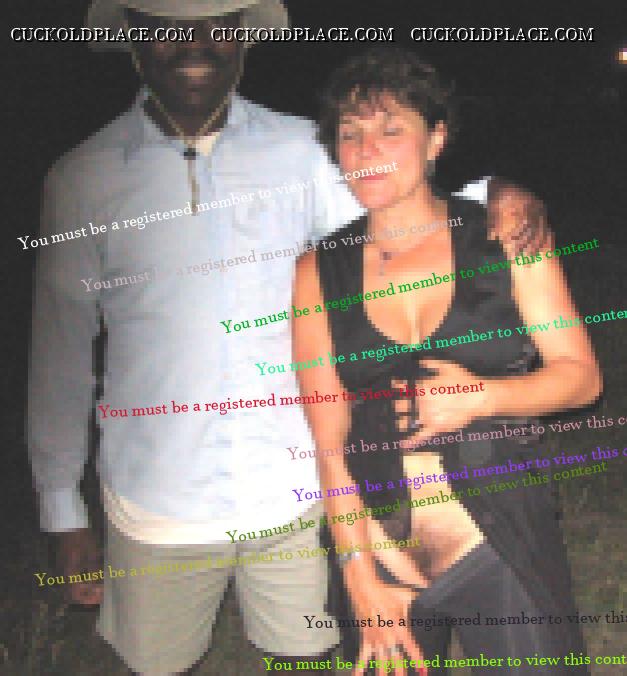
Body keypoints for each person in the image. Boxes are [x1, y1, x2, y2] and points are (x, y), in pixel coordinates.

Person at [27, 2, 550, 673]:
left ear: (243, 40)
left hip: (295, 490)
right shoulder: (82, 178)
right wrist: (62, 508)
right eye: (166, 25)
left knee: (308, 658)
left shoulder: (300, 149)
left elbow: (399, 203)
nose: (194, 41)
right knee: (155, 665)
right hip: (156, 498)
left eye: (217, 23)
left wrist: (497, 191)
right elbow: (61, 352)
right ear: (133, 41)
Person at [292, 47, 601, 674]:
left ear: (436, 139)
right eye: (349, 134)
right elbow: (329, 441)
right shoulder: (318, 270)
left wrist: (486, 396)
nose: (366, 150)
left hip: (499, 544)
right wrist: (359, 573)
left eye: (390, 129)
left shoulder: (505, 236)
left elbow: (581, 377)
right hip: (383, 554)